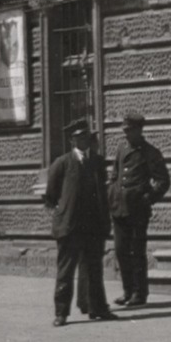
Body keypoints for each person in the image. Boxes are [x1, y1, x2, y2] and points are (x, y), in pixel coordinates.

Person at [44, 118, 115, 327]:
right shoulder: (62, 163)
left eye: (86, 136)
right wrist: (62, 213)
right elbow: (51, 195)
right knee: (66, 271)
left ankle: (98, 308)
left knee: (94, 270)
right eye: (79, 137)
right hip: (70, 228)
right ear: (72, 141)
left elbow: (102, 193)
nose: (83, 140)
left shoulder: (97, 162)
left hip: (93, 227)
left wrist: (104, 221)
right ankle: (61, 313)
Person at [108, 111, 171, 308]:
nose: (125, 134)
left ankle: (139, 293)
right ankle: (127, 291)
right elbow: (114, 176)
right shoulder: (121, 148)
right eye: (124, 130)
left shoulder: (150, 152)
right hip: (119, 209)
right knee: (120, 251)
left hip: (137, 211)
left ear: (139, 130)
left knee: (136, 252)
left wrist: (148, 198)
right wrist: (112, 194)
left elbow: (163, 181)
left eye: (129, 130)